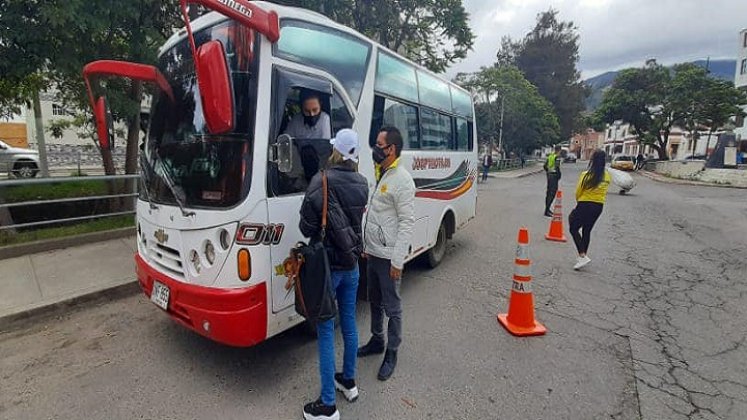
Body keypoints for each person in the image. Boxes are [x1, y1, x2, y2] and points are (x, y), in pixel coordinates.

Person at [299, 129, 369, 420]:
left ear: (336, 151)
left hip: (327, 269)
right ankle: (348, 381)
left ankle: (328, 405)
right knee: (350, 323)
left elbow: (305, 227)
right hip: (351, 266)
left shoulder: (321, 180)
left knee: (326, 332)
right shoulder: (363, 183)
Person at [358, 126, 415, 382]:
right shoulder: (381, 173)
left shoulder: (402, 180)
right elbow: (374, 213)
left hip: (389, 256)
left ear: (391, 149)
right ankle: (377, 340)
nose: (375, 148)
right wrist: (366, 245)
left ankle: (392, 352)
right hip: (373, 252)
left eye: (379, 144)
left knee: (393, 307)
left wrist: (398, 259)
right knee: (374, 300)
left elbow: (406, 222)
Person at [568, 149, 611, 270]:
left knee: (573, 227)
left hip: (584, 204)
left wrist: (579, 202)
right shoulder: (607, 176)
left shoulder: (586, 175)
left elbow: (578, 192)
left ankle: (582, 255)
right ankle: (583, 256)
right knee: (587, 230)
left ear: (592, 160)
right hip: (598, 206)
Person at [543, 145, 562, 217]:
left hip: (549, 176)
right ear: (559, 150)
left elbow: (545, 166)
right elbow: (557, 167)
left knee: (548, 193)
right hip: (554, 176)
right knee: (552, 193)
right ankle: (547, 210)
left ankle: (547, 209)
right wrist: (559, 175)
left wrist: (548, 172)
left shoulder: (550, 156)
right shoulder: (557, 157)